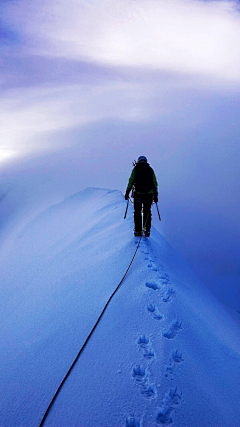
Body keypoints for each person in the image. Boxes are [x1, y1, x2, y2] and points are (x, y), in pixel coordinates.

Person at [125, 156, 158, 237]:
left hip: (138, 194)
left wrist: (127, 192)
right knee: (147, 212)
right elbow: (154, 182)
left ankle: (138, 230)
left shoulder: (136, 169)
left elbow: (131, 181)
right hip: (149, 195)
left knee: (137, 212)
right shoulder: (150, 169)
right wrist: (156, 195)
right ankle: (146, 229)